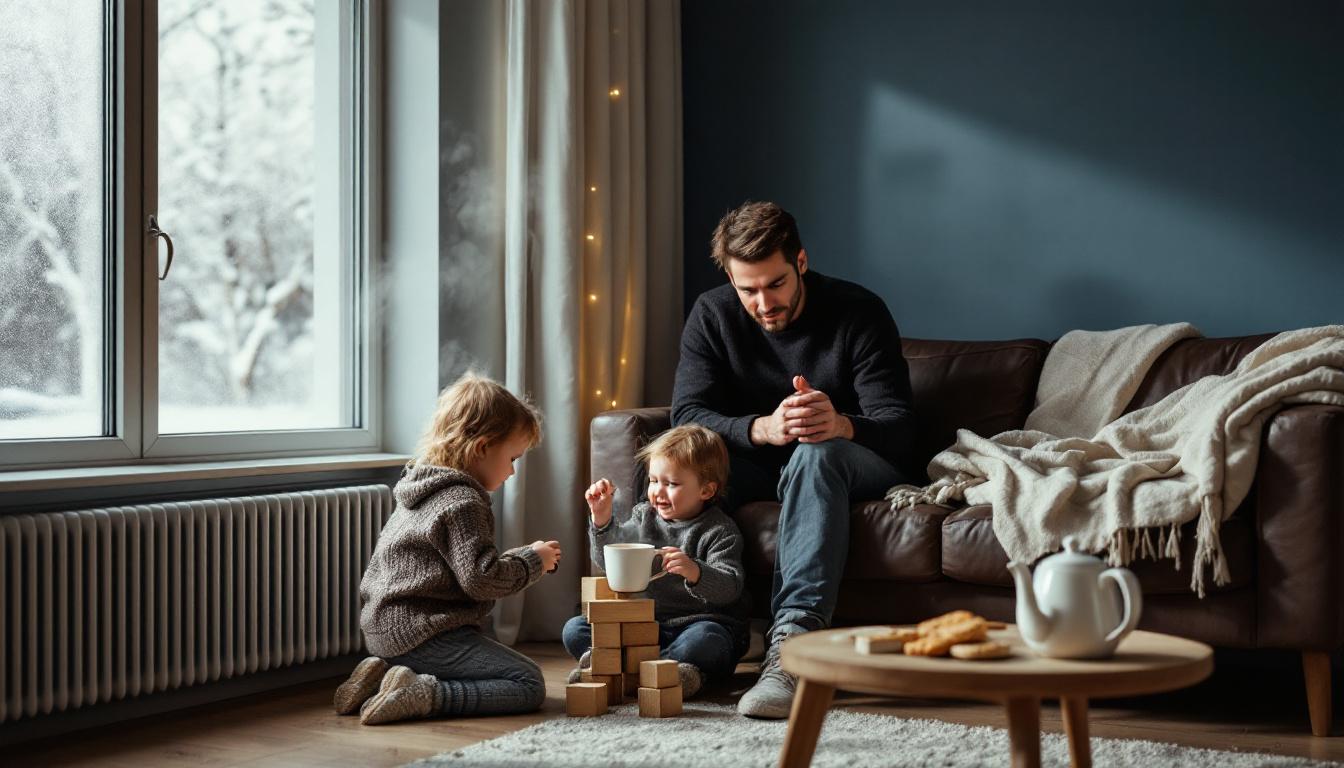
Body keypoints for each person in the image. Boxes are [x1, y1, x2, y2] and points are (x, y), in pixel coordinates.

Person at [672, 201, 915, 718]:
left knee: (817, 452)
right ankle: (698, 634)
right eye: (748, 289)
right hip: (760, 461)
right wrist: (762, 428)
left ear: (800, 262)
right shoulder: (713, 314)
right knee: (680, 474)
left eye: (776, 284)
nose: (763, 303)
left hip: (852, 462)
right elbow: (686, 417)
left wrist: (842, 425)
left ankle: (791, 649)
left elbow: (901, 431)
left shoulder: (858, 310)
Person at [335, 372, 563, 725]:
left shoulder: (421, 487)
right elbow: (482, 580)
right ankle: (425, 696)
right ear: (482, 447)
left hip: (385, 629)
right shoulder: (463, 500)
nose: (513, 472)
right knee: (527, 682)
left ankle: (382, 678)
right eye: (513, 458)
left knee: (484, 646)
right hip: (422, 632)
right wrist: (533, 561)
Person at [561, 424, 750, 698]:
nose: (658, 492)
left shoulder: (719, 531)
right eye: (653, 481)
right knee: (574, 629)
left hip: (697, 624)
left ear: (706, 491)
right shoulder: (643, 516)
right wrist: (601, 520)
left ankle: (634, 670)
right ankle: (637, 669)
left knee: (708, 641)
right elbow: (609, 559)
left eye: (671, 484)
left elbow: (730, 587)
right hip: (644, 626)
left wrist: (696, 571)